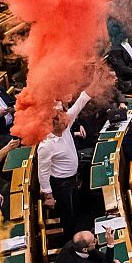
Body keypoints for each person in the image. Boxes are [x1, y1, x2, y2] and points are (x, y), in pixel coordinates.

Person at [38, 91, 92, 235]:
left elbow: (77, 108)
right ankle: (70, 241)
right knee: (68, 214)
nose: (65, 119)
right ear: (53, 123)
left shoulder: (66, 127)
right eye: (60, 117)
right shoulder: (46, 145)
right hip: (61, 184)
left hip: (73, 178)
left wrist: (88, 92)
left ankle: (80, 233)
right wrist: (48, 195)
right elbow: (42, 171)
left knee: (76, 207)